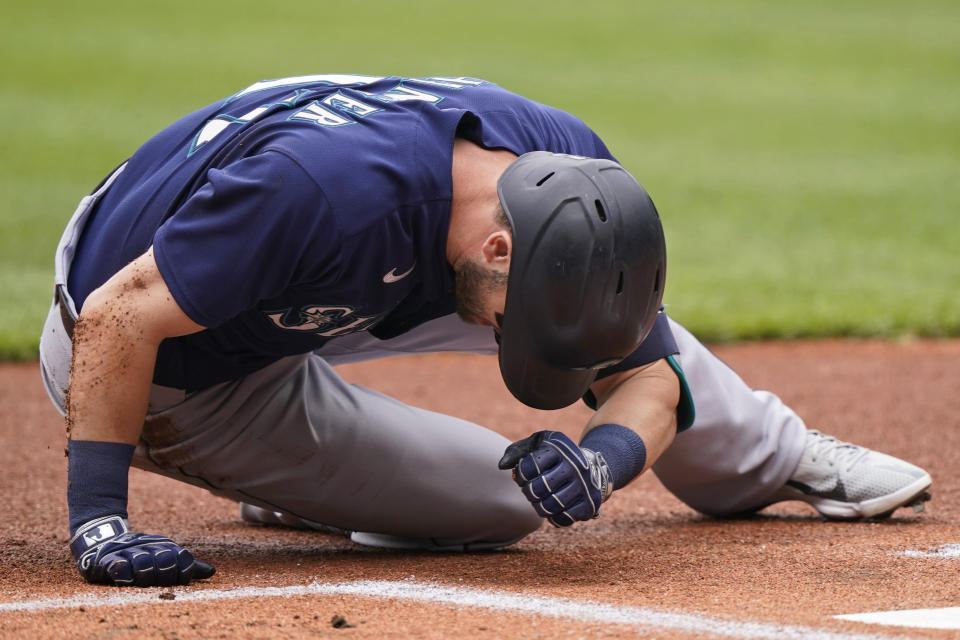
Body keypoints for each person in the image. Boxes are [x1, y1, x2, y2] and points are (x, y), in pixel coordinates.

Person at [39, 74, 932, 588]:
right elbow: (120, 316)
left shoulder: (565, 177)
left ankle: (774, 458)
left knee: (599, 317)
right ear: (499, 246)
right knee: (499, 504)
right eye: (518, 318)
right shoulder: (324, 201)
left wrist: (602, 461)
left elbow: (640, 369)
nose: (529, 349)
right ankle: (309, 484)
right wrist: (99, 526)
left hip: (333, 273)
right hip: (170, 357)